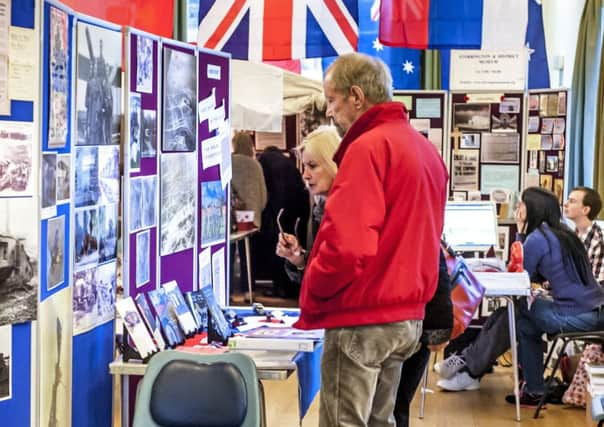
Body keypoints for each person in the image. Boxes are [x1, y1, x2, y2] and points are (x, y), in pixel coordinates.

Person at [293, 53, 448, 426]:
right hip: (407, 316)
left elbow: (348, 246)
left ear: (357, 96)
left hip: (363, 316)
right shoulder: (424, 149)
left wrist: (314, 289)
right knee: (384, 420)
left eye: (332, 100)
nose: (329, 112)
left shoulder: (367, 149)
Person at [437, 187, 604, 407]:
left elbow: (520, 272)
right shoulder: (562, 232)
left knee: (515, 309)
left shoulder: (538, 237)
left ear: (533, 208)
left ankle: (469, 366)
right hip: (593, 311)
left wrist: (520, 231)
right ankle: (531, 389)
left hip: (577, 315)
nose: (517, 208)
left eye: (521, 204)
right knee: (523, 323)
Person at [257, 146, 309, 298]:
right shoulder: (287, 162)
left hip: (278, 211)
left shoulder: (264, 161)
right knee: (294, 247)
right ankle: (292, 288)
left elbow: (266, 189)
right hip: (296, 209)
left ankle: (280, 287)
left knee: (279, 247)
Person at [229, 132, 267, 295]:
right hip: (251, 215)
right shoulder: (255, 165)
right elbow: (263, 194)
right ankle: (248, 290)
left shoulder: (229, 162)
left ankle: (228, 289)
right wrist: (258, 209)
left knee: (229, 251)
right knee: (247, 253)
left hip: (232, 215)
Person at [564, 186, 604, 285]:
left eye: (572, 201)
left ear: (585, 210)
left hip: (586, 297)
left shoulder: (598, 241)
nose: (565, 204)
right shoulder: (571, 236)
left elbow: (598, 284)